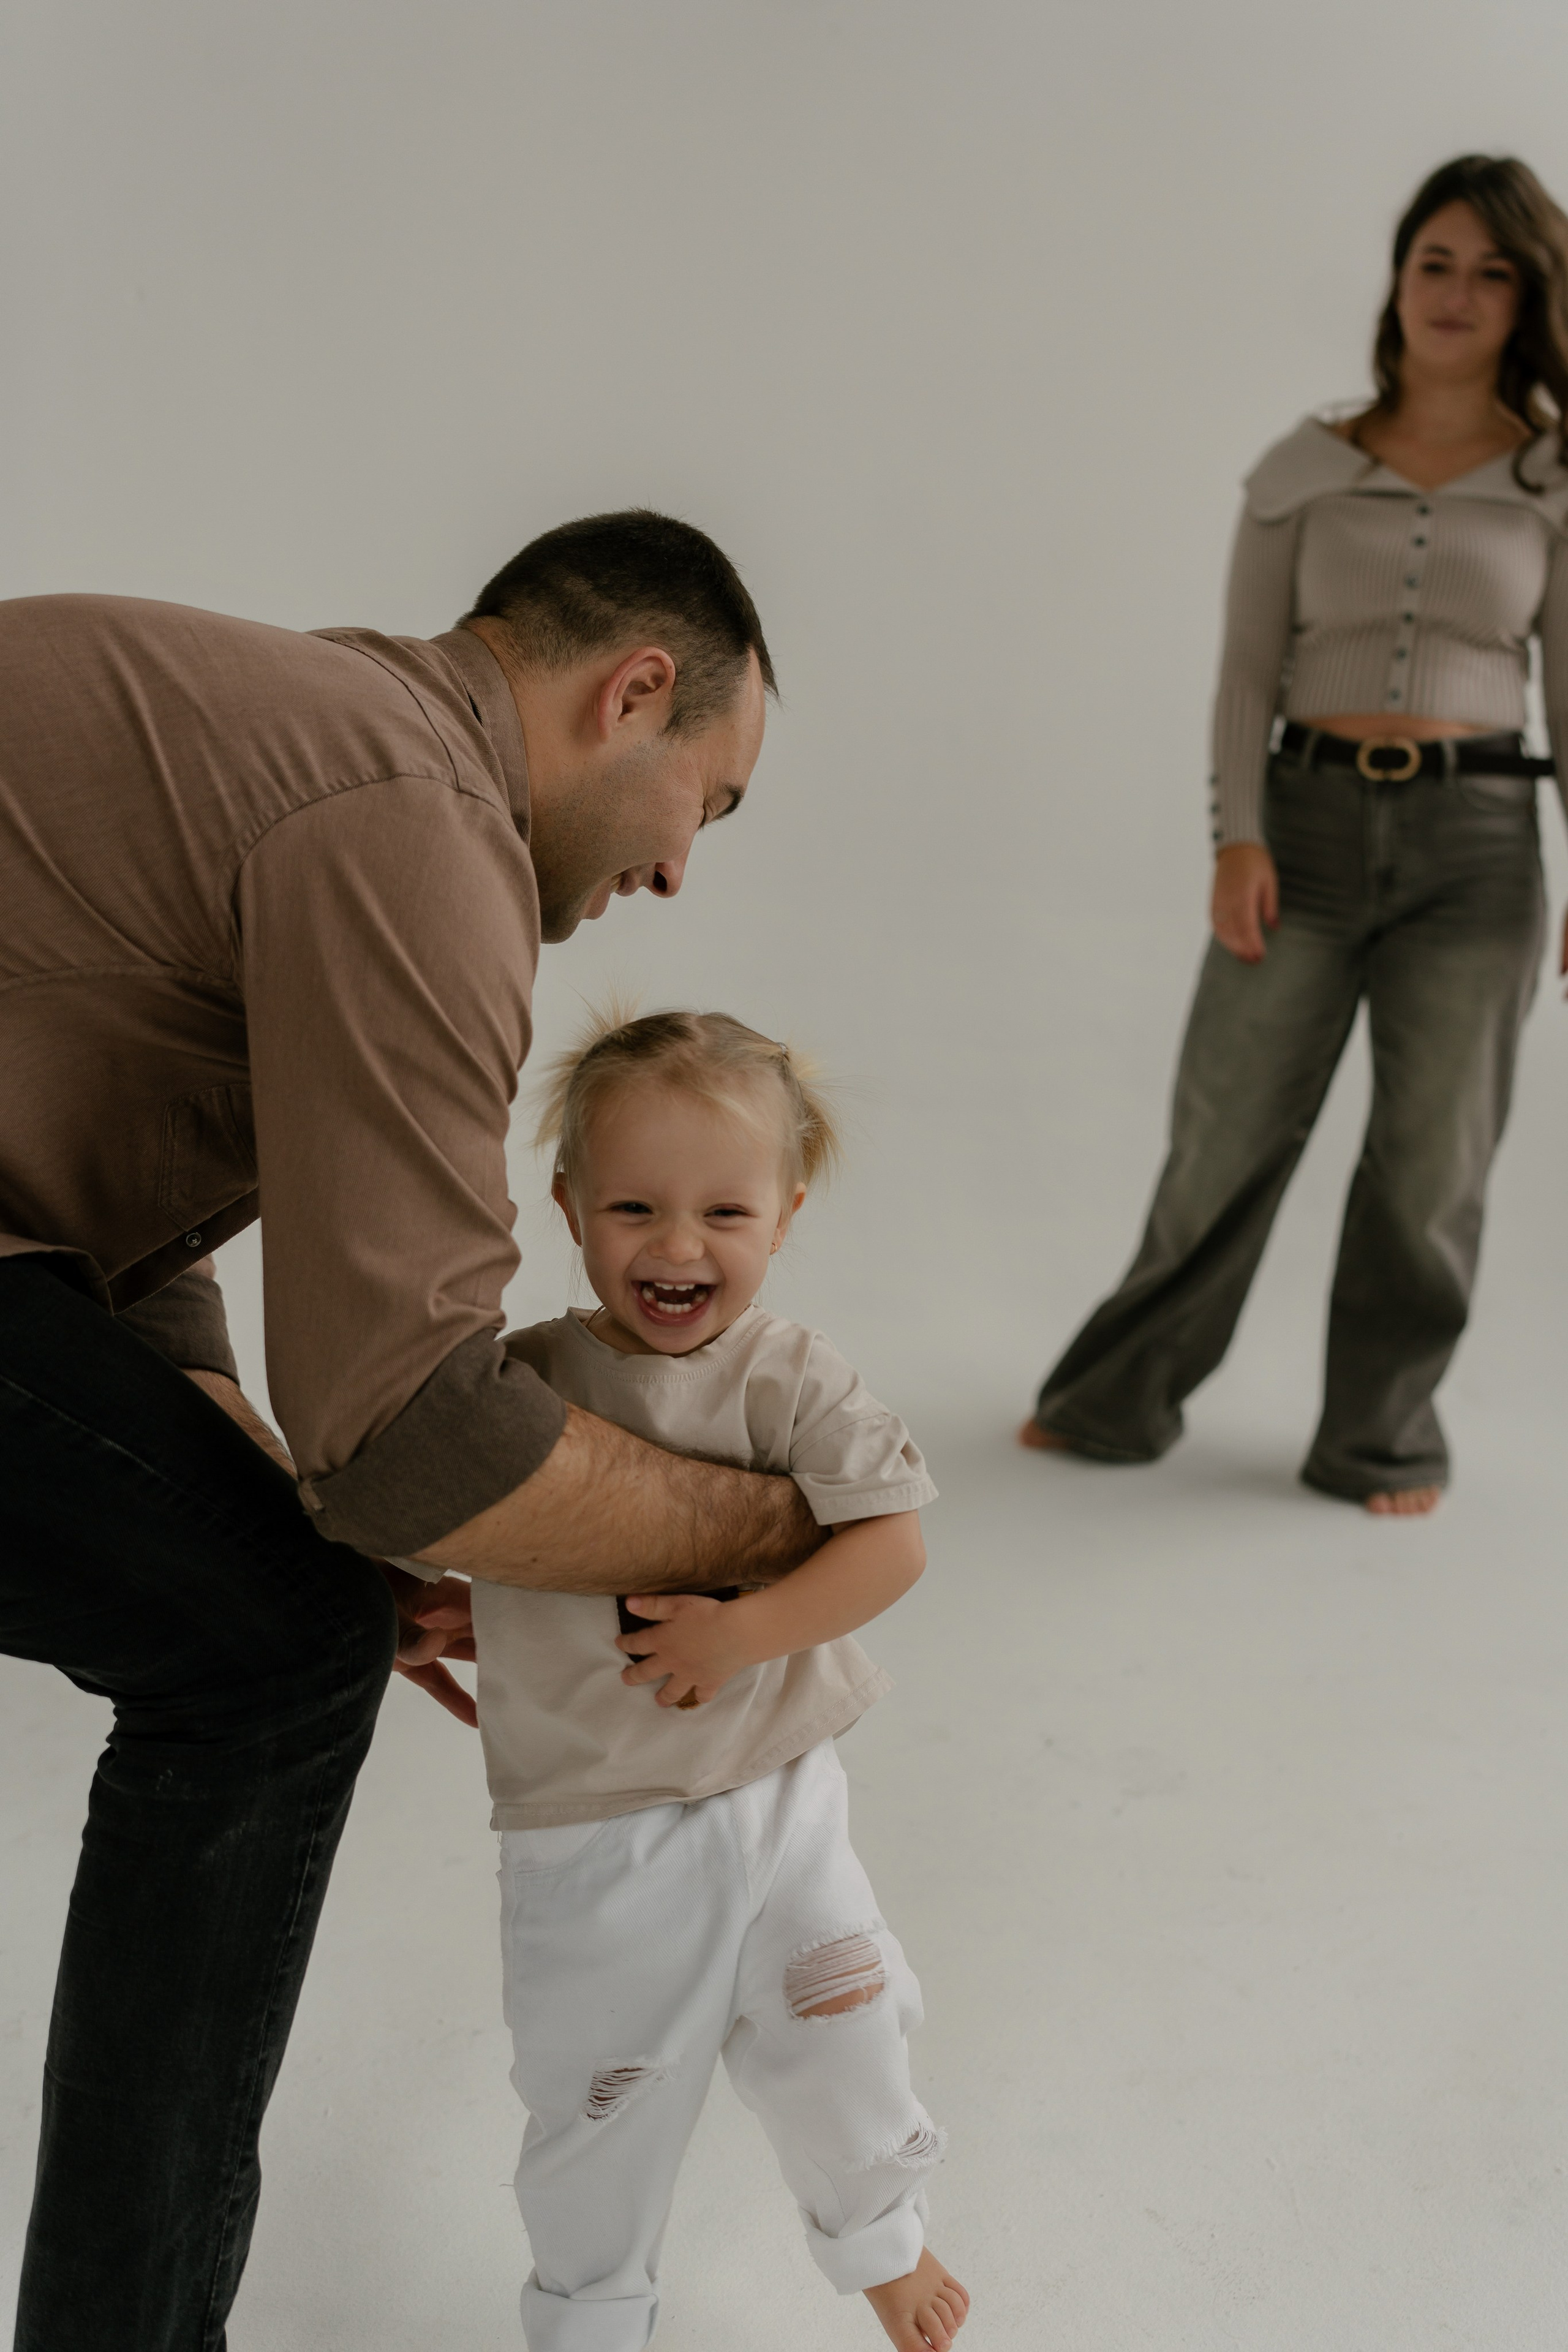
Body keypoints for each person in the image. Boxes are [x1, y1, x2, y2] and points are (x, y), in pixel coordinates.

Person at [0, 514, 832, 2350]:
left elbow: (123, 1254)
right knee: (276, 1653)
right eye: (711, 796)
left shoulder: (311, 740)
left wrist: (303, 1520)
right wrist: (781, 1536)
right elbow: (407, 1432)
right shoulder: (415, 822)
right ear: (631, 693)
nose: (683, 870)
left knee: (281, 1591)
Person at [1022, 154, 1568, 1513]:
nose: (1454, 293)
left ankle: (1377, 1442)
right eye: (1432, 261)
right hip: (1304, 832)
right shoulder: (1302, 465)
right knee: (1220, 1135)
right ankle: (1113, 1400)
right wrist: (1236, 837)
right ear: (1397, 277)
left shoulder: (1555, 478)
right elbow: (1239, 671)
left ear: (1528, 297)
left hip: (1482, 846)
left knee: (1432, 1164)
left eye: (1489, 270)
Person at [477, 1009, 970, 2352]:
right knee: (600, 2099)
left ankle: (878, 2233)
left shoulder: (794, 1378)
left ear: (785, 1215)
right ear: (569, 1204)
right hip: (594, 1823)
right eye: (632, 1206)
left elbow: (892, 1543)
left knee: (846, 2013)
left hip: (780, 1784)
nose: (677, 1247)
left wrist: (742, 1636)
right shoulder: (527, 1381)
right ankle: (591, 2314)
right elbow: (447, 1510)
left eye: (722, 1212)